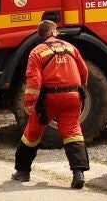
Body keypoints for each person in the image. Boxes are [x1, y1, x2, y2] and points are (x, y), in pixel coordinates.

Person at [11, 18, 91, 188]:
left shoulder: (36, 52)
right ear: (53, 32)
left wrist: (29, 102)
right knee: (72, 132)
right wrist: (81, 88)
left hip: (49, 99)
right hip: (73, 96)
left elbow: (34, 80)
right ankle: (79, 173)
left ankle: (23, 172)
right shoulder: (70, 47)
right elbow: (83, 70)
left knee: (33, 132)